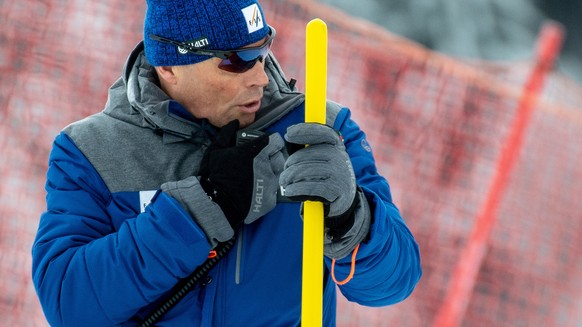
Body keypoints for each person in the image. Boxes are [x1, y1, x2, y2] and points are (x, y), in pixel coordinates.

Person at [31, 0, 422, 325]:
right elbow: (68, 304)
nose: (260, 79)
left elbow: (394, 283)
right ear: (168, 66)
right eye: (236, 62)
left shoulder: (319, 129)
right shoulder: (90, 150)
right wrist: (200, 208)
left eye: (262, 52)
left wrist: (352, 218)